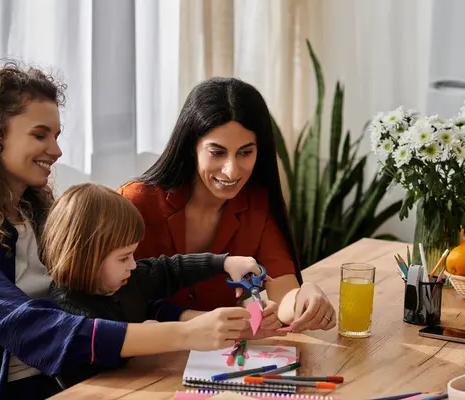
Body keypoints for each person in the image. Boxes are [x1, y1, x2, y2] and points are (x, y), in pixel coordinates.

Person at [0, 63, 261, 400]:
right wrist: (184, 333)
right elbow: (37, 329)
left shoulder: (40, 216)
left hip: (80, 377)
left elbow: (110, 302)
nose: (56, 150)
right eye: (40, 135)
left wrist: (206, 324)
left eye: (56, 135)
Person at [118, 77, 336, 333]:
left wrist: (304, 297)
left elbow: (283, 296)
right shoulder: (136, 203)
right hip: (145, 363)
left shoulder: (257, 205)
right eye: (217, 152)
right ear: (192, 147)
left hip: (222, 358)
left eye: (245, 152)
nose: (232, 171)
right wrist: (206, 321)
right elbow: (115, 303)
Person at [42, 183, 285, 386]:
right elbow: (101, 347)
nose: (133, 265)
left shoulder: (128, 279)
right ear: (87, 257)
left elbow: (170, 269)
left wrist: (225, 262)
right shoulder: (66, 307)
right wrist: (151, 333)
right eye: (124, 257)